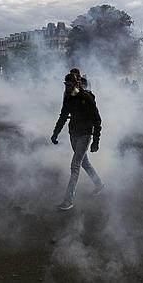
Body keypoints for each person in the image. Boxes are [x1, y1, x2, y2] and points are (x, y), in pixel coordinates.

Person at [51, 73, 105, 211]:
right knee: (84, 163)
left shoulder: (86, 98)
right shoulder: (69, 98)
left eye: (70, 85)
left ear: (77, 84)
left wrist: (96, 141)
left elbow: (97, 120)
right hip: (73, 134)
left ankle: (68, 201)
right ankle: (99, 184)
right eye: (66, 85)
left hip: (85, 135)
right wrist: (55, 133)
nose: (67, 88)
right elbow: (63, 116)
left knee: (75, 166)